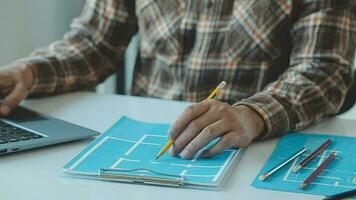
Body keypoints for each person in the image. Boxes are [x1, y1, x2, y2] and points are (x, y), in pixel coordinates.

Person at [0, 0, 355, 160]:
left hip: (252, 152)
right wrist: (29, 73)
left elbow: (323, 70)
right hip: (141, 146)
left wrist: (253, 114)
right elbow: (96, 42)